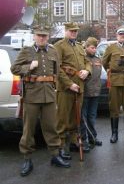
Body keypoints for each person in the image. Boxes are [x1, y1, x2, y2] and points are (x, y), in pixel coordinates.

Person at [11, 26, 70, 177]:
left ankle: (55, 155)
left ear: (48, 37)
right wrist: (28, 67)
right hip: (31, 95)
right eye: (39, 36)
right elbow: (14, 68)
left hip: (49, 95)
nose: (42, 38)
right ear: (35, 36)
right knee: (28, 129)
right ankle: (27, 158)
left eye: (44, 36)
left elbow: (56, 72)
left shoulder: (53, 51)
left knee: (51, 126)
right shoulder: (27, 51)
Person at [54, 22, 92, 157]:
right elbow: (56, 68)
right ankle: (61, 146)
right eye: (71, 31)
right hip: (66, 88)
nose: (74, 33)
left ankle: (75, 141)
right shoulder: (59, 46)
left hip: (79, 86)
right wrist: (69, 84)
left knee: (76, 116)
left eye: (75, 31)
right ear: (66, 31)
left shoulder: (79, 46)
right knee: (63, 118)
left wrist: (87, 71)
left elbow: (87, 61)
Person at [80, 37, 102, 152]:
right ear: (87, 47)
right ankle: (83, 140)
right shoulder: (82, 59)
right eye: (92, 48)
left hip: (95, 92)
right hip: (85, 92)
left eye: (95, 48)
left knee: (92, 117)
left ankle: (93, 137)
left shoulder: (98, 59)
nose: (94, 50)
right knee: (83, 118)